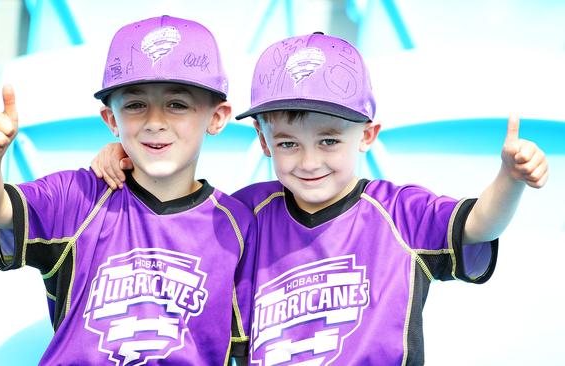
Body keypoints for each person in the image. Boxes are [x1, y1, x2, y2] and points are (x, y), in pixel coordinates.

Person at [91, 32, 548, 365]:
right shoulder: (245, 214)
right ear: (265, 143)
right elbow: (175, 216)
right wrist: (127, 157)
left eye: (329, 141)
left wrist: (508, 179)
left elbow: (478, 226)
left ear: (366, 135)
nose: (309, 161)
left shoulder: (400, 213)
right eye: (288, 143)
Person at [0, 15, 255, 365]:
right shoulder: (78, 196)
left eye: (177, 104)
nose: (155, 122)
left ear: (217, 117)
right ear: (112, 120)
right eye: (135, 105)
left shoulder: (239, 227)